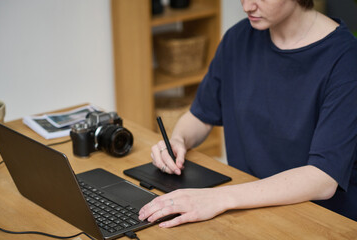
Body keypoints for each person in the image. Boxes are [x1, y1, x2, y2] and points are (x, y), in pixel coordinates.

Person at [139, 0, 357, 227]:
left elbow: (323, 178)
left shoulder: (346, 59)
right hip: (248, 209)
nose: (247, 6)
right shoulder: (238, 38)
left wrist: (219, 198)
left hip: (318, 220)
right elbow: (200, 116)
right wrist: (177, 140)